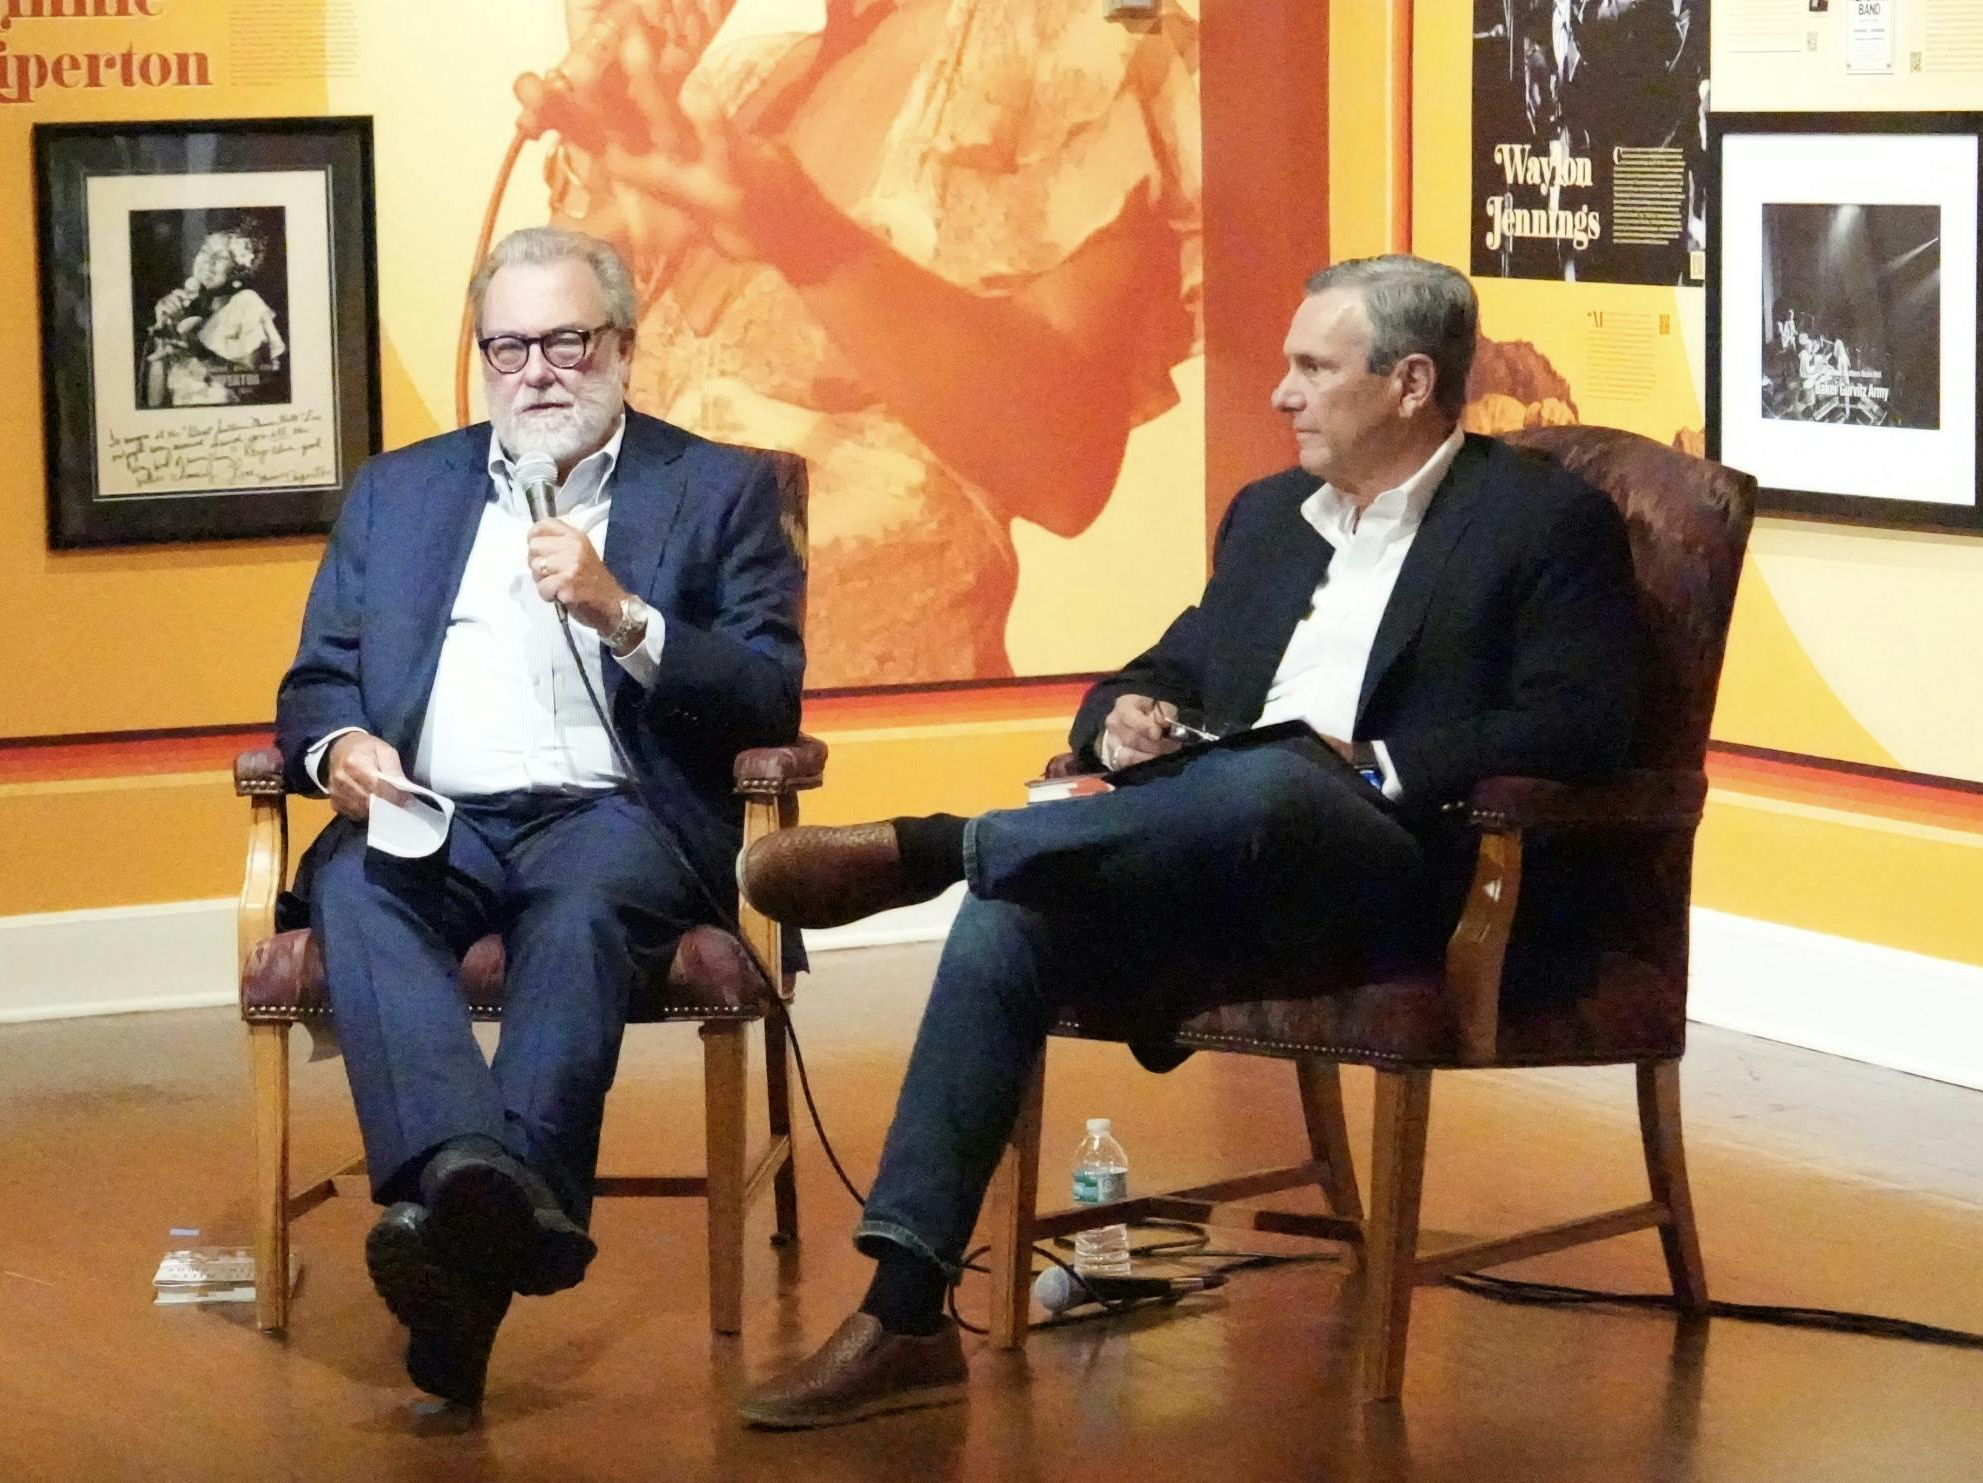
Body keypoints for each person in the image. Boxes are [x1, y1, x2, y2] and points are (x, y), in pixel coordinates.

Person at [731, 255, 1642, 1428]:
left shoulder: (1540, 520)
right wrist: (1117, 714)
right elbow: (1173, 662)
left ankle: (939, 844)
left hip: (1405, 866)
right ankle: (904, 1312)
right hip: (1218, 847)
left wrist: (1372, 765)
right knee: (1012, 912)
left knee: (1280, 777)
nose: (1281, 393)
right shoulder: (1270, 519)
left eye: (1314, 367)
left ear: (1410, 382)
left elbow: (1583, 719)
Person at [273, 225, 805, 1409]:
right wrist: (340, 746)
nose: (536, 371)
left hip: (611, 816)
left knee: (576, 916)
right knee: (357, 884)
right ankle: (492, 1191)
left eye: (565, 340)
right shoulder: (401, 492)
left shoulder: (714, 489)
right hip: (435, 814)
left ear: (621, 343)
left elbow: (768, 693)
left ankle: (461, 1247)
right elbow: (318, 677)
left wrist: (625, 615)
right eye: (506, 346)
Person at [534, 0, 1200, 686]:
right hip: (645, 750)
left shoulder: (1076, 28)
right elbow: (548, 450)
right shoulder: (735, 88)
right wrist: (602, 151)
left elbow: (1064, 469)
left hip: (868, 747)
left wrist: (811, 242)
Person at [140, 222, 288, 408]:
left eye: (221, 257)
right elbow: (155, 402)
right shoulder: (183, 310)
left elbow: (254, 381)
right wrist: (162, 335)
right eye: (205, 250)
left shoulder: (247, 303)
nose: (208, 262)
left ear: (238, 270)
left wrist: (199, 352)